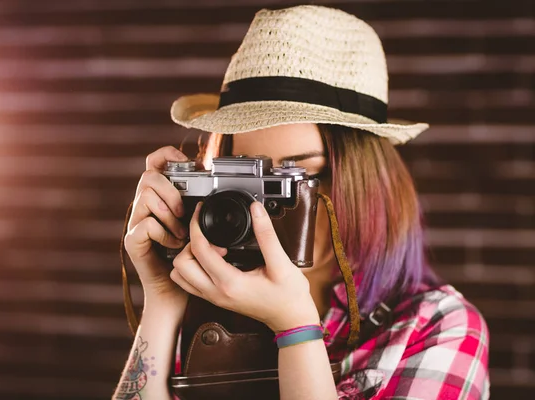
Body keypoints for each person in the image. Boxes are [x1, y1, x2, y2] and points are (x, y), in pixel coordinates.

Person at [113, 5, 489, 400]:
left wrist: (295, 328)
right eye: (244, 178)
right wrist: (162, 298)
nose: (258, 211)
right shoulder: (210, 310)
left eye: (296, 179)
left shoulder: (439, 328)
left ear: (365, 179)